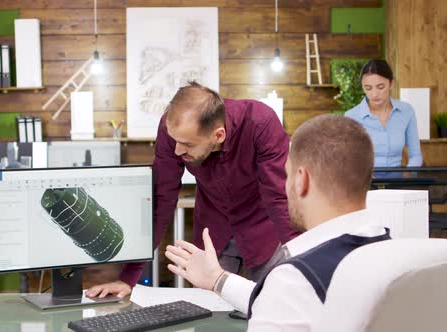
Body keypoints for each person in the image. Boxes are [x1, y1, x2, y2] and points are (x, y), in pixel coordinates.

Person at [165, 115, 390, 331]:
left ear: (302, 180)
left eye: (286, 174)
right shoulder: (388, 252)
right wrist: (218, 279)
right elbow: (287, 304)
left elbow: (286, 298)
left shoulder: (295, 277)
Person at [86, 82, 299, 299]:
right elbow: (161, 199)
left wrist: (305, 262)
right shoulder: (173, 130)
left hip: (263, 228)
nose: (177, 150)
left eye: (187, 144)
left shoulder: (260, 123)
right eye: (175, 142)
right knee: (209, 311)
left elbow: (279, 198)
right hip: (213, 232)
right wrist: (128, 278)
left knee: (271, 303)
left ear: (218, 135)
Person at [345, 59, 422, 167]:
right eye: (368, 88)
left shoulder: (406, 111)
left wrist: (409, 176)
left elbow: (416, 155)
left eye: (380, 87)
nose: (374, 94)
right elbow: (348, 158)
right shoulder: (351, 116)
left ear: (391, 84)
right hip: (365, 181)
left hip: (398, 181)